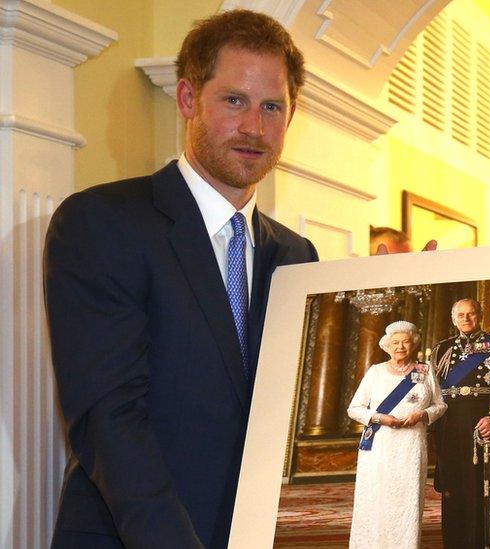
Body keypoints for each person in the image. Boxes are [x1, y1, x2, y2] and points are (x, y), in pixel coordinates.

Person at [44, 10, 317, 548]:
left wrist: (408, 298)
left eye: (272, 107)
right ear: (189, 99)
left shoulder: (297, 255)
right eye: (233, 100)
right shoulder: (101, 222)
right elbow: (109, 418)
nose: (254, 128)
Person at [347, 321, 446, 549]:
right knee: (376, 497)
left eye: (405, 341)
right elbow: (355, 409)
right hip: (380, 444)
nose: (400, 346)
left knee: (406, 498)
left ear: (414, 344)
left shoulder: (424, 371)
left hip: (411, 444)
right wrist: (381, 418)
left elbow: (441, 405)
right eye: (395, 342)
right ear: (387, 346)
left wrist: (422, 414)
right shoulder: (375, 372)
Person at [430, 298, 490, 548]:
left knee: (477, 487)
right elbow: (431, 389)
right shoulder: (441, 348)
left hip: (480, 421)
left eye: (471, 314)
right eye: (461, 315)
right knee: (451, 488)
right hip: (448, 423)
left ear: (480, 315)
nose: (466, 319)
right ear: (453, 318)